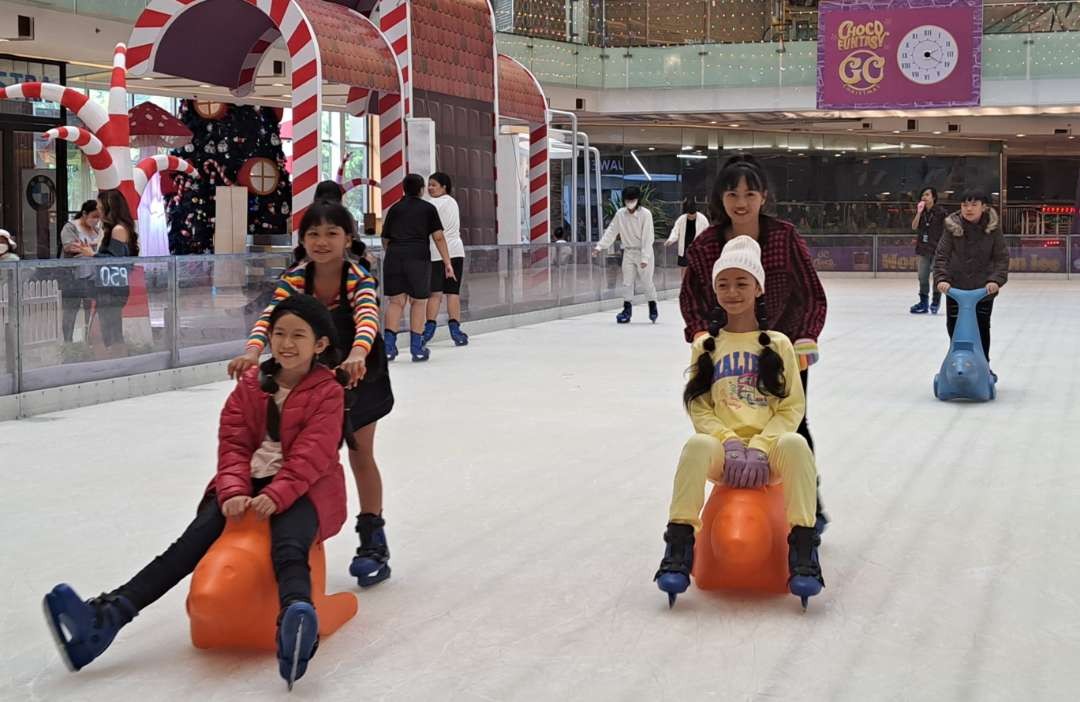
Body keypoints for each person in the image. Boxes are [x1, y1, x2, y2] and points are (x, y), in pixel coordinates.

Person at [43, 295, 347, 687]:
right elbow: (234, 443)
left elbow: (313, 454)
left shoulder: (327, 392)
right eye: (279, 334)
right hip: (247, 484)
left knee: (288, 546)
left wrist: (277, 494)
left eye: (298, 336)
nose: (286, 344)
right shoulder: (252, 385)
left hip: (307, 490)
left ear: (319, 344)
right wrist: (234, 489)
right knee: (187, 546)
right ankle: (107, 618)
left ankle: (296, 618)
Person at [229, 200, 395, 588]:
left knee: (359, 453)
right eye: (313, 234)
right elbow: (271, 316)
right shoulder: (295, 279)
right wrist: (253, 352)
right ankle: (289, 537)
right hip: (313, 377)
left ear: (348, 238)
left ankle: (373, 540)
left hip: (359, 375)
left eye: (331, 233)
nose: (322, 242)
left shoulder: (357, 276)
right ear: (302, 239)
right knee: (303, 455)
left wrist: (356, 353)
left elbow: (367, 316)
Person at [654, 236, 823, 607]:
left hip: (770, 452)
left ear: (759, 287)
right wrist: (728, 441)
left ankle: (803, 551)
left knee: (797, 445)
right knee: (696, 446)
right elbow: (700, 407)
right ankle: (679, 547)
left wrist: (762, 447)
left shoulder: (778, 343)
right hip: (723, 453)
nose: (732, 292)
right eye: (723, 284)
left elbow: (792, 407)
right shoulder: (706, 345)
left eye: (741, 282)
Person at [680, 155, 828, 528]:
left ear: (764, 196)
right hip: (725, 345)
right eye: (732, 193)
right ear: (721, 198)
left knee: (793, 425)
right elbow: (692, 294)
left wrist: (806, 335)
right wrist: (701, 331)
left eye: (749, 193)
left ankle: (807, 504)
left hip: (782, 351)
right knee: (723, 415)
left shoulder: (783, 236)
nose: (741, 202)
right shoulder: (707, 245)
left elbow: (810, 290)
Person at [381, 174, 455, 362]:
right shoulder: (428, 209)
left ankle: (389, 348)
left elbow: (385, 239)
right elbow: (438, 237)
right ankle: (417, 348)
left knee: (396, 302)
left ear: (404, 189)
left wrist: (394, 253)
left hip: (394, 256)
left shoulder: (395, 209)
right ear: (421, 189)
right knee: (418, 302)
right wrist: (447, 262)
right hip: (418, 258)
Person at [933, 190, 1009, 370]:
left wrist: (995, 280)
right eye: (965, 205)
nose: (969, 209)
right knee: (954, 327)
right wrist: (942, 279)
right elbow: (941, 256)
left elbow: (1001, 258)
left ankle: (984, 366)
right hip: (956, 289)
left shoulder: (993, 229)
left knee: (982, 328)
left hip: (983, 290)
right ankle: (957, 363)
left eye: (974, 205)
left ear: (984, 207)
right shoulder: (952, 228)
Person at [77, 190, 138, 351]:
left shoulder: (118, 230)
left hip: (112, 288)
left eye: (100, 207)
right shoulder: (117, 229)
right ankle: (115, 357)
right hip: (111, 287)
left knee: (110, 329)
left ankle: (115, 358)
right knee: (110, 327)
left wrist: (93, 255)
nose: (98, 211)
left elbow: (114, 262)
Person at [592, 185, 659, 324]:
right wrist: (600, 246)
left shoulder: (645, 214)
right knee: (627, 282)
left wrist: (645, 257)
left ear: (638, 199)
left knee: (647, 281)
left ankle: (652, 305)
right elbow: (611, 231)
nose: (630, 202)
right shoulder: (620, 214)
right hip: (628, 251)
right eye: (627, 200)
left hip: (643, 251)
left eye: (632, 199)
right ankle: (627, 310)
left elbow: (648, 237)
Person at [422, 172, 468, 348]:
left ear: (444, 187)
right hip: (456, 250)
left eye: (434, 185)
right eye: (429, 184)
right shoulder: (453, 202)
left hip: (437, 252)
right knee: (453, 292)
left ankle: (429, 329)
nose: (430, 188)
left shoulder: (430, 205)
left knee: (435, 293)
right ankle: (456, 330)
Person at [59, 201, 103, 342]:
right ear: (84, 214)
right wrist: (89, 248)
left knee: (89, 311)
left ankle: (88, 340)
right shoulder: (70, 227)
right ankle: (68, 342)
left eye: (98, 217)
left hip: (92, 278)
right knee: (70, 312)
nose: (96, 220)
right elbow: (69, 247)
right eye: (94, 216)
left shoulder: (97, 231)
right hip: (74, 278)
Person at [910, 187, 947, 314]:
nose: (924, 197)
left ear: (933, 197)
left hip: (937, 250)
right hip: (922, 249)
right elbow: (914, 226)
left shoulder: (941, 212)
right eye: (922, 195)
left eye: (927, 195)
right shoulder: (922, 212)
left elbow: (947, 230)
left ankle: (935, 302)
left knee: (937, 277)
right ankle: (923, 302)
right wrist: (919, 213)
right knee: (922, 277)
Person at [665, 197, 710, 271]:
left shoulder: (703, 219)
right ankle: (683, 282)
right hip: (685, 248)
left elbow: (707, 233)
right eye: (689, 215)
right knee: (684, 269)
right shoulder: (681, 219)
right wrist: (670, 240)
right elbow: (675, 231)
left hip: (697, 249)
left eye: (693, 215)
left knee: (697, 269)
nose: (691, 217)